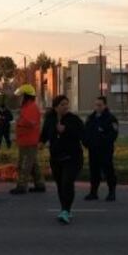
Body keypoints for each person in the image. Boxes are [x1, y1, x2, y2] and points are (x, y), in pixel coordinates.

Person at [43, 95, 84, 224]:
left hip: (72, 157)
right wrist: (40, 142)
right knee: (60, 185)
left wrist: (66, 130)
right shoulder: (50, 119)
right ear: (56, 107)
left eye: (67, 104)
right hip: (56, 158)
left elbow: (82, 134)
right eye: (62, 104)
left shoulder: (74, 119)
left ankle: (66, 210)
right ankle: (64, 208)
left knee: (67, 183)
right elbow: (44, 134)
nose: (65, 106)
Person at [9, 84, 47, 195]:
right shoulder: (26, 107)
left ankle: (21, 186)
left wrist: (18, 121)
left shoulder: (30, 108)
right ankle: (40, 185)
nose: (18, 99)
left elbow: (30, 122)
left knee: (24, 165)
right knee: (33, 164)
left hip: (28, 142)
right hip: (26, 141)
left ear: (26, 96)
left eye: (20, 96)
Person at [84, 95, 119, 201]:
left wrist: (103, 139)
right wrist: (87, 143)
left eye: (100, 105)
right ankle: (93, 192)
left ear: (105, 105)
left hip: (105, 150)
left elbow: (113, 135)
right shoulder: (91, 118)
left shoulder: (110, 119)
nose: (97, 107)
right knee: (94, 171)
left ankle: (111, 192)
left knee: (108, 171)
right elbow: (85, 132)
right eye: (96, 105)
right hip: (93, 150)